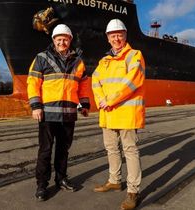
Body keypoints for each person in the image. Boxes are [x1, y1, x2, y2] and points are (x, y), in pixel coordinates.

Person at [27, 24, 90, 201]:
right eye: (59, 39)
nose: (62, 42)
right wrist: (36, 106)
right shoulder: (41, 58)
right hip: (47, 114)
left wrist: (84, 104)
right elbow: (33, 82)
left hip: (69, 113)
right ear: (53, 40)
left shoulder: (78, 61)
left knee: (64, 150)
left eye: (65, 39)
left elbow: (83, 84)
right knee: (45, 151)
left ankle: (61, 179)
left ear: (70, 40)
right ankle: (41, 185)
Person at [91, 19, 145, 210]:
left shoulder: (134, 56)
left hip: (127, 113)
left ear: (125, 36)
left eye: (119, 35)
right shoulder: (103, 61)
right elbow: (95, 80)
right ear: (107, 38)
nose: (116, 38)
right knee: (111, 149)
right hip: (107, 113)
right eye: (112, 35)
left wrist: (110, 99)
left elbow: (132, 82)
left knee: (130, 151)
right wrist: (100, 100)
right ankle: (115, 180)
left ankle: (133, 191)